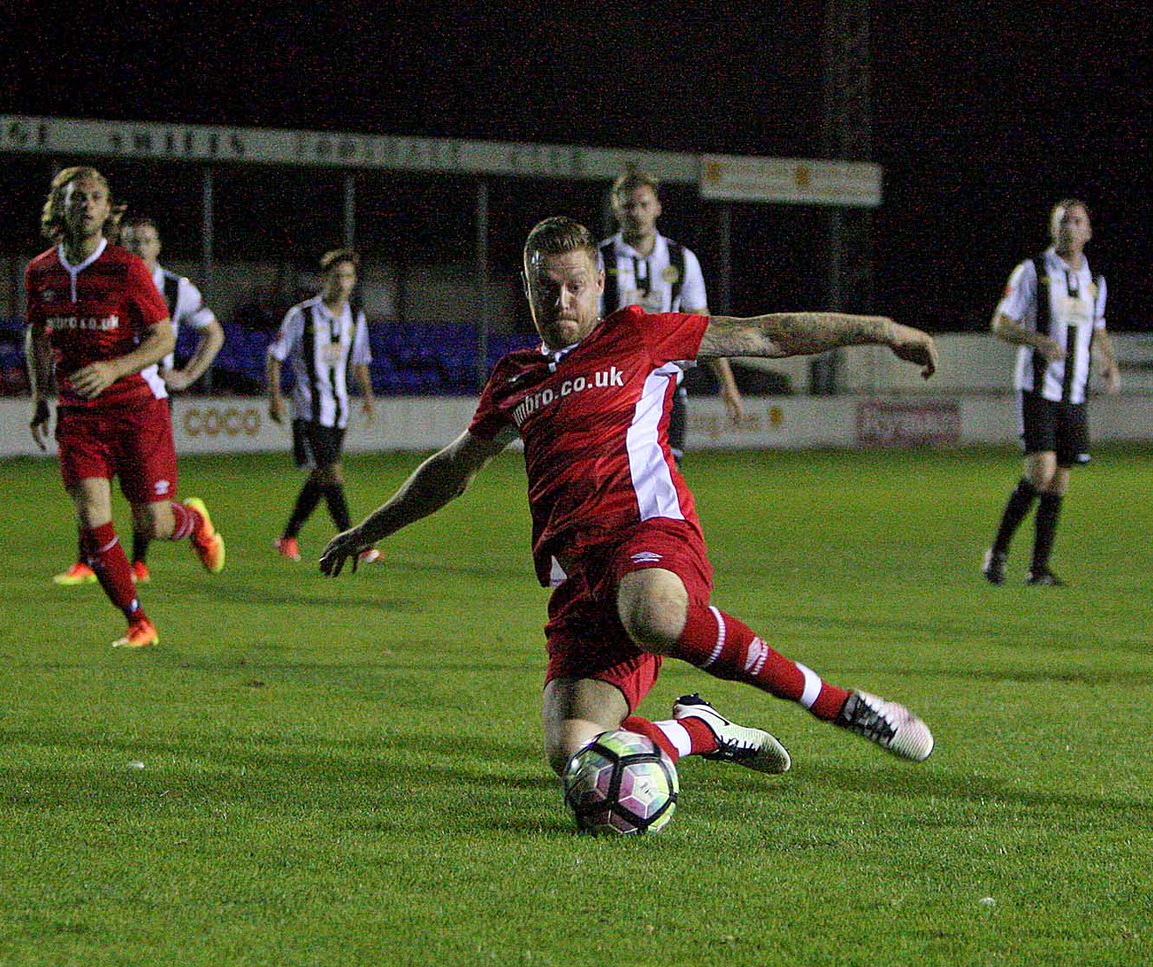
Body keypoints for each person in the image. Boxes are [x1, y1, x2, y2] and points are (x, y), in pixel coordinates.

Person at [319, 216, 938, 784]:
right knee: (576, 758)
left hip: (650, 536)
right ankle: (698, 731)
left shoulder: (639, 335)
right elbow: (451, 470)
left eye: (575, 286)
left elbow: (765, 335)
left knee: (654, 614)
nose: (561, 301)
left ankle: (844, 706)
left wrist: (880, 330)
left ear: (599, 283)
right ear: (527, 289)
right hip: (580, 579)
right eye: (546, 288)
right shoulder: (514, 377)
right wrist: (367, 529)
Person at [25, 166, 226, 649]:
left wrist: (114, 369)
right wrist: (38, 396)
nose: (87, 205)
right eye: (78, 197)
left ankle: (194, 523)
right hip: (78, 415)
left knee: (152, 523)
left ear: (106, 208)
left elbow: (164, 339)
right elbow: (36, 334)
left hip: (137, 411)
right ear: (61, 207)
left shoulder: (128, 269)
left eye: (96, 197)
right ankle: (138, 622)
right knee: (94, 519)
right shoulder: (40, 271)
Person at [52, 215, 226, 586]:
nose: (139, 248)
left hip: (148, 398)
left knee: (143, 500)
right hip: (100, 395)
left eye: (146, 241)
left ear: (158, 246)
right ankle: (88, 559)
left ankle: (140, 560)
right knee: (91, 486)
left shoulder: (178, 290)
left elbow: (213, 333)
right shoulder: (103, 279)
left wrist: (188, 375)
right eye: (131, 241)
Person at [982, 199, 1121, 587]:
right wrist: (1036, 340)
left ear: (1088, 232)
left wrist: (1108, 362)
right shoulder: (1033, 272)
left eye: (1077, 222)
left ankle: (1038, 569)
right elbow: (1000, 323)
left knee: (1059, 479)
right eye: (1063, 222)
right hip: (1038, 388)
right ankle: (998, 552)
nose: (1070, 228)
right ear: (1052, 229)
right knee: (1040, 471)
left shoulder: (1095, 280)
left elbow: (1097, 328)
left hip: (1074, 392)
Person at [599, 170, 744, 464]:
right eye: (629, 205)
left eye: (643, 204)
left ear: (657, 208)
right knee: (616, 477)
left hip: (666, 385)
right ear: (616, 209)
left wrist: (728, 384)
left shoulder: (681, 259)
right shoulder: (600, 259)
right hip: (615, 385)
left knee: (668, 473)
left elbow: (702, 325)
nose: (637, 213)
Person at [267, 248, 381, 564]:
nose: (342, 283)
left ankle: (288, 537)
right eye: (336, 277)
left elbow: (360, 362)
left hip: (339, 410)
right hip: (309, 410)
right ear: (324, 280)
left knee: (321, 477)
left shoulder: (356, 318)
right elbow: (276, 356)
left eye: (347, 277)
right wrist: (275, 396)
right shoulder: (301, 315)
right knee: (332, 474)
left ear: (354, 281)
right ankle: (354, 541)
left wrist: (368, 397)